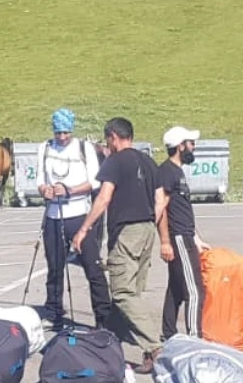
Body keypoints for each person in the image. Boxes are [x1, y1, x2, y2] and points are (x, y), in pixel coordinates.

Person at [72, 118, 166, 375]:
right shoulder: (148, 161)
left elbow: (104, 197)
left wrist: (84, 229)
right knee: (133, 294)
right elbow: (160, 201)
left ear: (114, 137)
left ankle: (156, 348)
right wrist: (151, 227)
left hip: (127, 231)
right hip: (147, 229)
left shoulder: (115, 161)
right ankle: (114, 346)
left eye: (107, 140)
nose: (107, 146)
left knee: (123, 294)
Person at [36, 108, 110, 331]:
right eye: (58, 133)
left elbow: (95, 182)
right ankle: (54, 312)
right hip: (53, 216)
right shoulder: (45, 148)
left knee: (92, 268)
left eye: (66, 132)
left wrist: (70, 190)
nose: (62, 137)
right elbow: (40, 179)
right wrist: (44, 190)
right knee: (55, 268)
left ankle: (104, 318)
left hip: (79, 215)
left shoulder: (83, 147)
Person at [157, 126, 210, 342]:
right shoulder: (167, 172)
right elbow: (160, 208)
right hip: (177, 237)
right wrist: (165, 242)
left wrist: (196, 238)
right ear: (180, 146)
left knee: (176, 289)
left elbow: (182, 208)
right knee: (195, 292)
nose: (193, 147)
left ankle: (168, 333)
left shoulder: (177, 171)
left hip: (186, 236)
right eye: (190, 143)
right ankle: (195, 338)